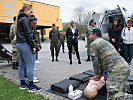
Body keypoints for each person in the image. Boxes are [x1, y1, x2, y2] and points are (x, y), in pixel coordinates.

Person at [89, 28, 132, 99]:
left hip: (117, 70)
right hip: (124, 68)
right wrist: (100, 74)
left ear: (94, 35)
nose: (89, 37)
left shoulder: (94, 44)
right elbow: (102, 62)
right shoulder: (104, 42)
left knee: (111, 96)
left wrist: (97, 74)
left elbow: (95, 61)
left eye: (90, 35)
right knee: (120, 87)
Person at [15, 4, 41, 92]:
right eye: (30, 12)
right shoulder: (25, 19)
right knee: (30, 65)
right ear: (26, 10)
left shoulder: (19, 19)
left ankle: (22, 84)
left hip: (18, 43)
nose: (31, 14)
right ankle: (31, 86)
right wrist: (33, 46)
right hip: (24, 44)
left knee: (21, 65)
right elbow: (28, 34)